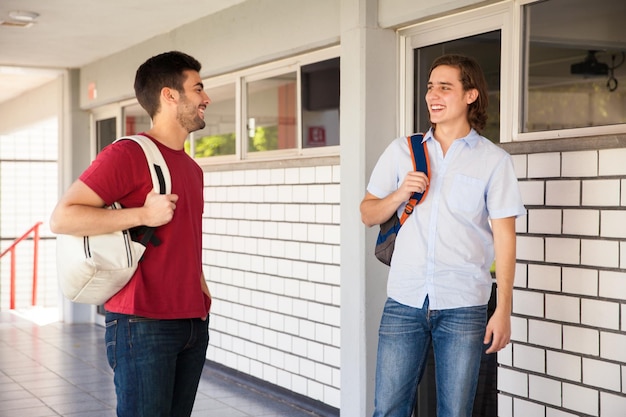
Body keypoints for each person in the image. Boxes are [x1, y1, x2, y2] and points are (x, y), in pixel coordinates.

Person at [361, 54, 526, 417]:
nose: (433, 95)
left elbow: (505, 239)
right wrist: (399, 193)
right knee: (388, 409)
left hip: (464, 305)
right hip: (404, 301)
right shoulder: (403, 151)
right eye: (430, 87)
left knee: (455, 411)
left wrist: (503, 310)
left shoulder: (493, 161)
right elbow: (368, 213)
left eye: (445, 87)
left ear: (470, 95)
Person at [50, 51, 212, 417]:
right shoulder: (128, 154)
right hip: (142, 323)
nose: (206, 98)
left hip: (191, 322)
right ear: (170, 96)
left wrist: (200, 288)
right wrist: (144, 214)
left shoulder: (191, 168)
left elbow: (185, 237)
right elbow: (63, 217)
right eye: (198, 88)